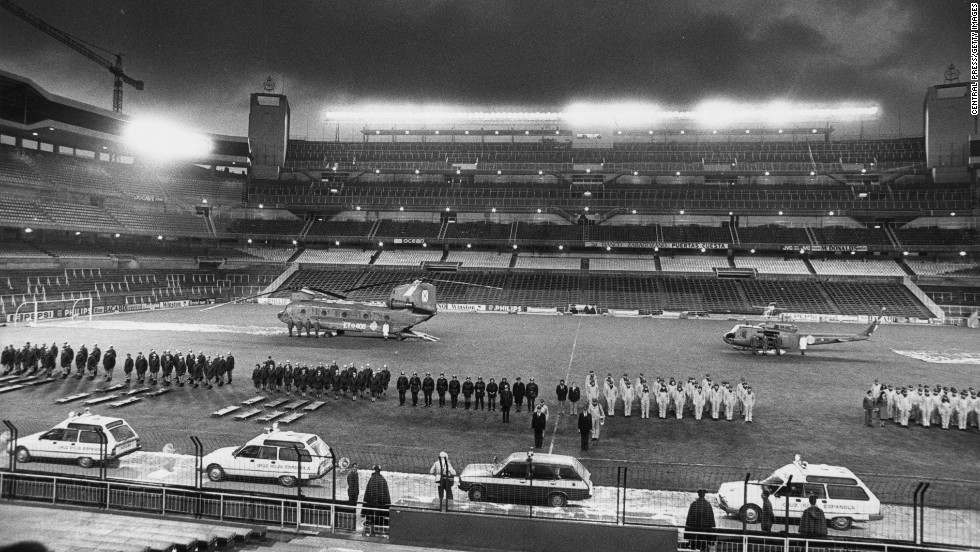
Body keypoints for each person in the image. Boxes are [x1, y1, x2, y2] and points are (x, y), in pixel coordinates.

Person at [362, 465, 391, 536]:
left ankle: (371, 532)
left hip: (371, 505)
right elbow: (386, 494)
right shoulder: (383, 480)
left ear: (374, 470)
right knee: (379, 521)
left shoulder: (371, 479)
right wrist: (388, 507)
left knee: (371, 520)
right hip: (380, 506)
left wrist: (364, 510)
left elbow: (367, 494)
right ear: (380, 471)